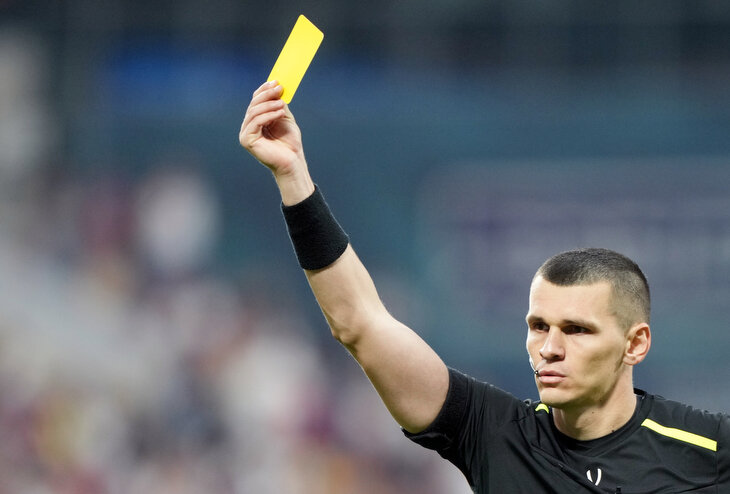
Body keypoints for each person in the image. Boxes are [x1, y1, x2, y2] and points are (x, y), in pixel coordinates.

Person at [239, 80, 730, 493]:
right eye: (538, 326)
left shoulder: (709, 449)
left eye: (577, 329)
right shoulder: (493, 433)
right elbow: (360, 324)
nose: (549, 348)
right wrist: (293, 176)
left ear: (635, 343)